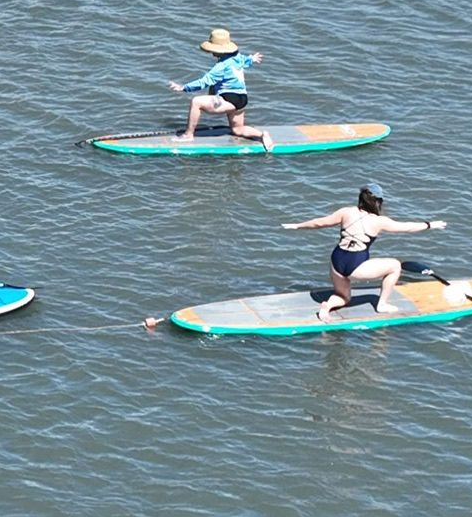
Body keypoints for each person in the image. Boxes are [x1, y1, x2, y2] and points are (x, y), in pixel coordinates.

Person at [282, 181, 447, 320]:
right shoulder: (379, 221)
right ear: (378, 202)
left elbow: (320, 223)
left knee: (344, 297)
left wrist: (296, 225)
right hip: (356, 264)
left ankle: (327, 306)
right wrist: (430, 224)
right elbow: (407, 227)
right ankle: (382, 305)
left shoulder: (346, 212)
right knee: (395, 266)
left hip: (337, 261)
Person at [170, 28, 273, 152]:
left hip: (229, 99)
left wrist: (184, 88)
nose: (212, 52)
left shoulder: (221, 66)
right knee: (237, 130)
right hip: (242, 99)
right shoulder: (238, 57)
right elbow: (245, 61)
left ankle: (188, 135)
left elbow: (205, 81)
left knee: (196, 102)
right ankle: (262, 135)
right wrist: (252, 59)